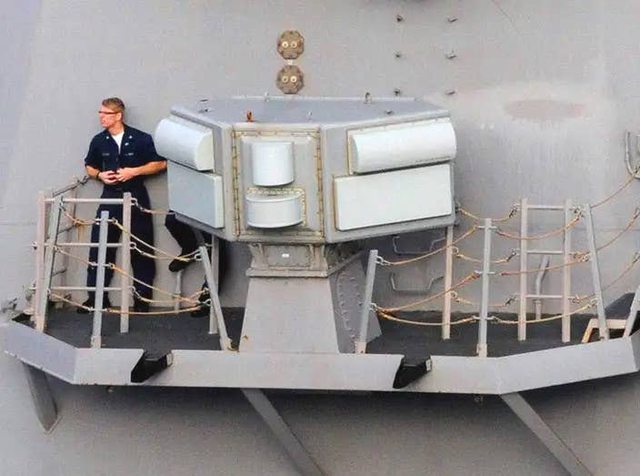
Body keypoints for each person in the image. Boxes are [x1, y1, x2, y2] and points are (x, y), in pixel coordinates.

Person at [79, 97, 166, 313]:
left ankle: (142, 300)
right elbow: (89, 165)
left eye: (105, 114)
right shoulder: (99, 141)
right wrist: (100, 175)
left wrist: (133, 172)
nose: (101, 117)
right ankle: (96, 298)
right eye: (100, 113)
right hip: (110, 197)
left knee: (141, 247)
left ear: (118, 115)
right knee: (101, 246)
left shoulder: (140, 138)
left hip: (135, 196)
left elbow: (159, 163)